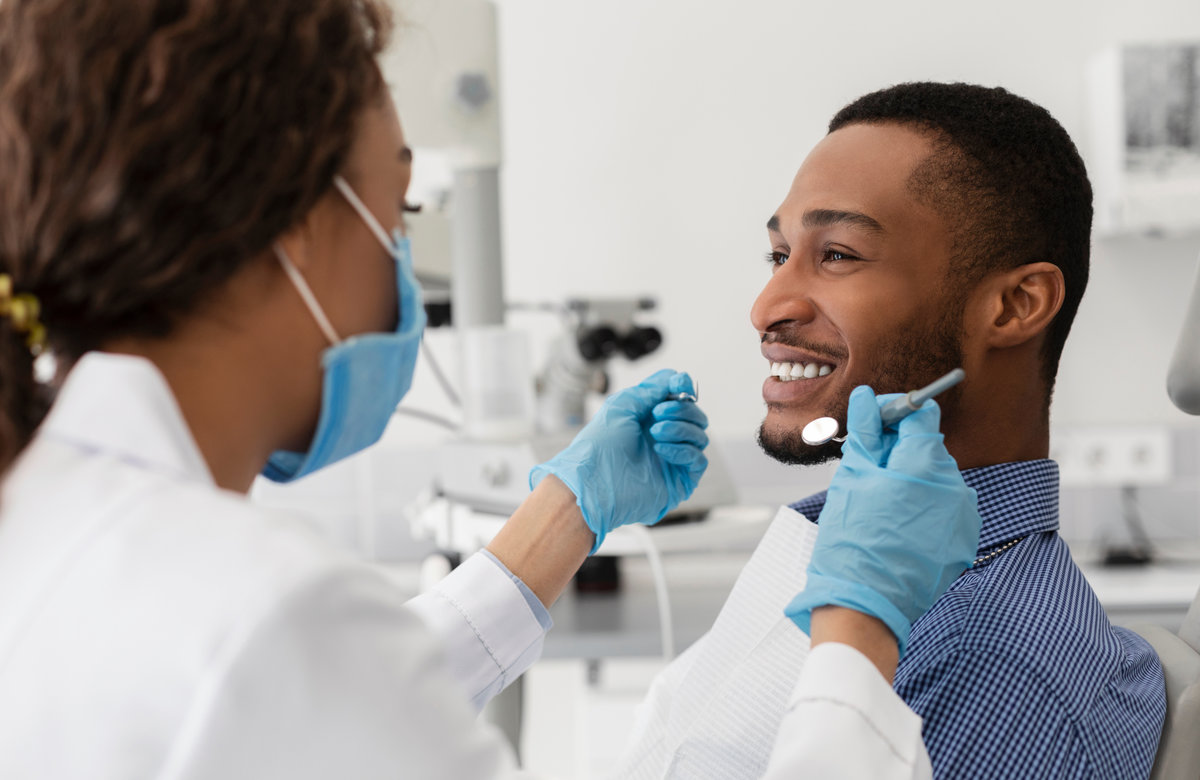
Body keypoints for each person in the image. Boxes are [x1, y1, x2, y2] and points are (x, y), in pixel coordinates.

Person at [0, 2, 981, 778]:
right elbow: (306, 681)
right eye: (401, 208)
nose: (771, 302)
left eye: (838, 252)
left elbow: (336, 703)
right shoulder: (261, 616)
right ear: (293, 223)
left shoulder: (58, 525)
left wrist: (562, 518)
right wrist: (860, 627)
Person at [615, 82, 1168, 779]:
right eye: (778, 255)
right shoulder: (849, 559)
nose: (767, 306)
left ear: (1015, 306)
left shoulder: (989, 666)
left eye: (839, 254)